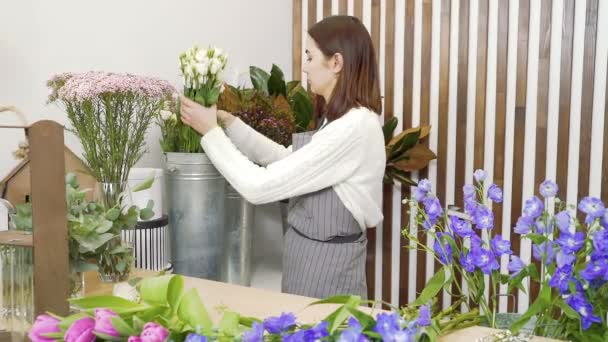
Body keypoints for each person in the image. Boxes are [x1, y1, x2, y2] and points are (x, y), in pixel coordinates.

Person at [180, 15, 385, 299]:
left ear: (336, 63)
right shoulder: (339, 121)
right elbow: (284, 159)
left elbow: (258, 187)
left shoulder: (355, 127)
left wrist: (210, 132)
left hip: (328, 270)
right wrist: (230, 125)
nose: (305, 66)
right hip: (306, 258)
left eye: (310, 57)